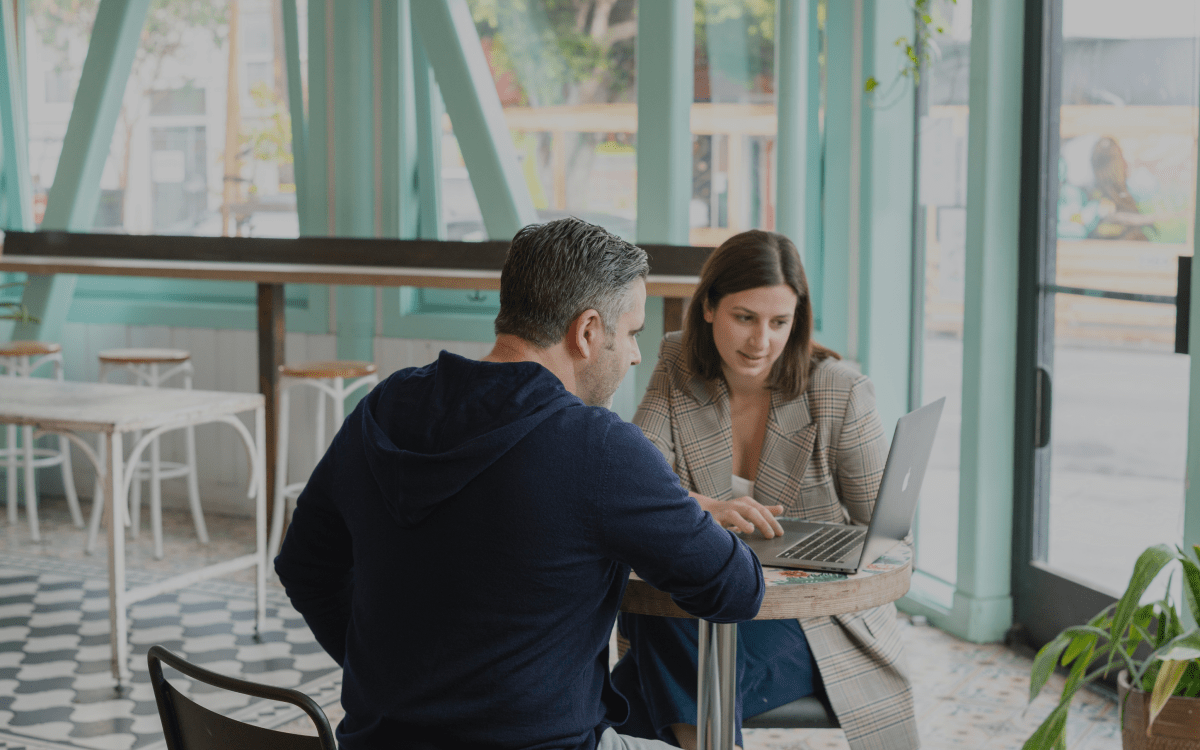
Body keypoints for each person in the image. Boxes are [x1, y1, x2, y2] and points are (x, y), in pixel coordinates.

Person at [273, 217, 766, 750]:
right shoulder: (598, 448)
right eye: (630, 333)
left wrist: (389, 680)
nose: (636, 354)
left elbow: (303, 564)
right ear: (587, 331)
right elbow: (737, 589)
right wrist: (676, 506)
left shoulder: (385, 407)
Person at [611, 230, 919, 750]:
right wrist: (708, 509)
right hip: (706, 604)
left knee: (619, 690)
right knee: (663, 620)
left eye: (780, 322)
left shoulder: (839, 391)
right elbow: (634, 486)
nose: (761, 342)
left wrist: (806, 563)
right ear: (708, 307)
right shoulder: (677, 360)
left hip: (813, 622)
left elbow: (889, 538)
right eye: (745, 318)